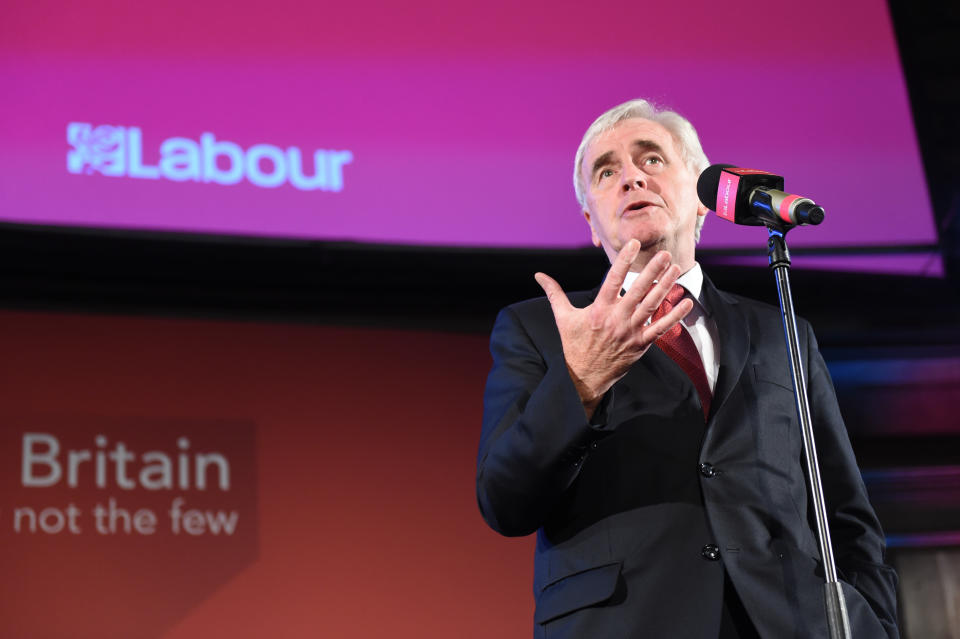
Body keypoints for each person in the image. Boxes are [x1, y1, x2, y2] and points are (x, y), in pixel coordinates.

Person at [476, 99, 899, 638]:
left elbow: (845, 512)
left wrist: (875, 626)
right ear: (591, 223)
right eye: (607, 172)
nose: (631, 177)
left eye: (651, 159)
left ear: (703, 199)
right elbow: (504, 501)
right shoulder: (541, 329)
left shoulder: (781, 333)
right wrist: (581, 381)